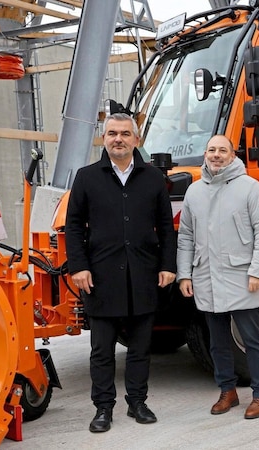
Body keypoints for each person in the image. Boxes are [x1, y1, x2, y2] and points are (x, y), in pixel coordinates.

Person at [65, 113, 177, 433]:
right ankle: (103, 408)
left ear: (136, 140)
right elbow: (74, 226)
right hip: (100, 277)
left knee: (141, 348)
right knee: (102, 350)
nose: (118, 139)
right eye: (112, 133)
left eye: (125, 134)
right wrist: (79, 266)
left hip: (143, 275)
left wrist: (168, 265)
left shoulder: (154, 178)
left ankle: (137, 402)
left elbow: (167, 228)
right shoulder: (87, 178)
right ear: (104, 138)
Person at [176, 135, 259, 420]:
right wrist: (185, 274)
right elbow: (186, 237)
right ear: (205, 155)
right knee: (216, 341)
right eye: (211, 150)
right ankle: (227, 391)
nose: (216, 155)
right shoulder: (194, 192)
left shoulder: (250, 188)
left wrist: (258, 272)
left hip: (242, 276)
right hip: (206, 276)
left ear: (233, 156)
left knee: (252, 339)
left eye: (222, 150)